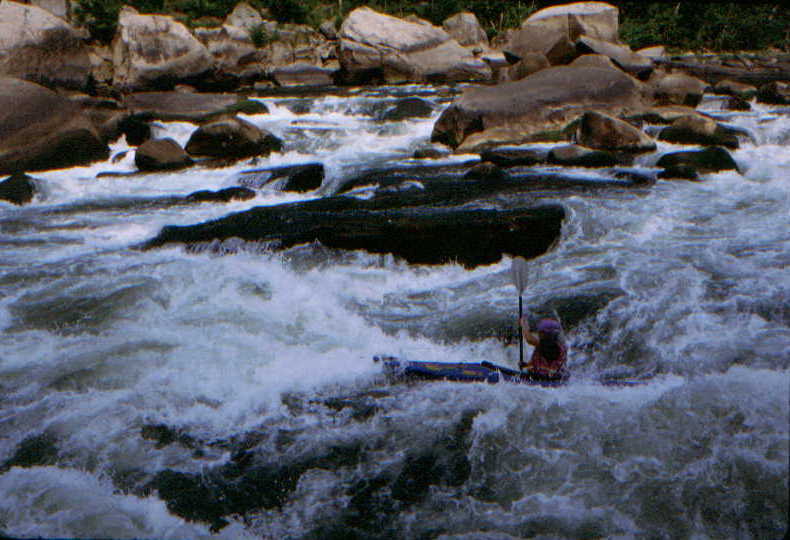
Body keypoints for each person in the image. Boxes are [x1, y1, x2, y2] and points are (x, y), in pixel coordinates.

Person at [518, 317, 568, 382]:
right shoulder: (563, 348)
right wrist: (527, 365)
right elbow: (548, 364)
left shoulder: (542, 344)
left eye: (540, 332)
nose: (538, 334)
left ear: (544, 334)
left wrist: (523, 325)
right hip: (556, 379)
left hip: (540, 378)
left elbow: (529, 339)